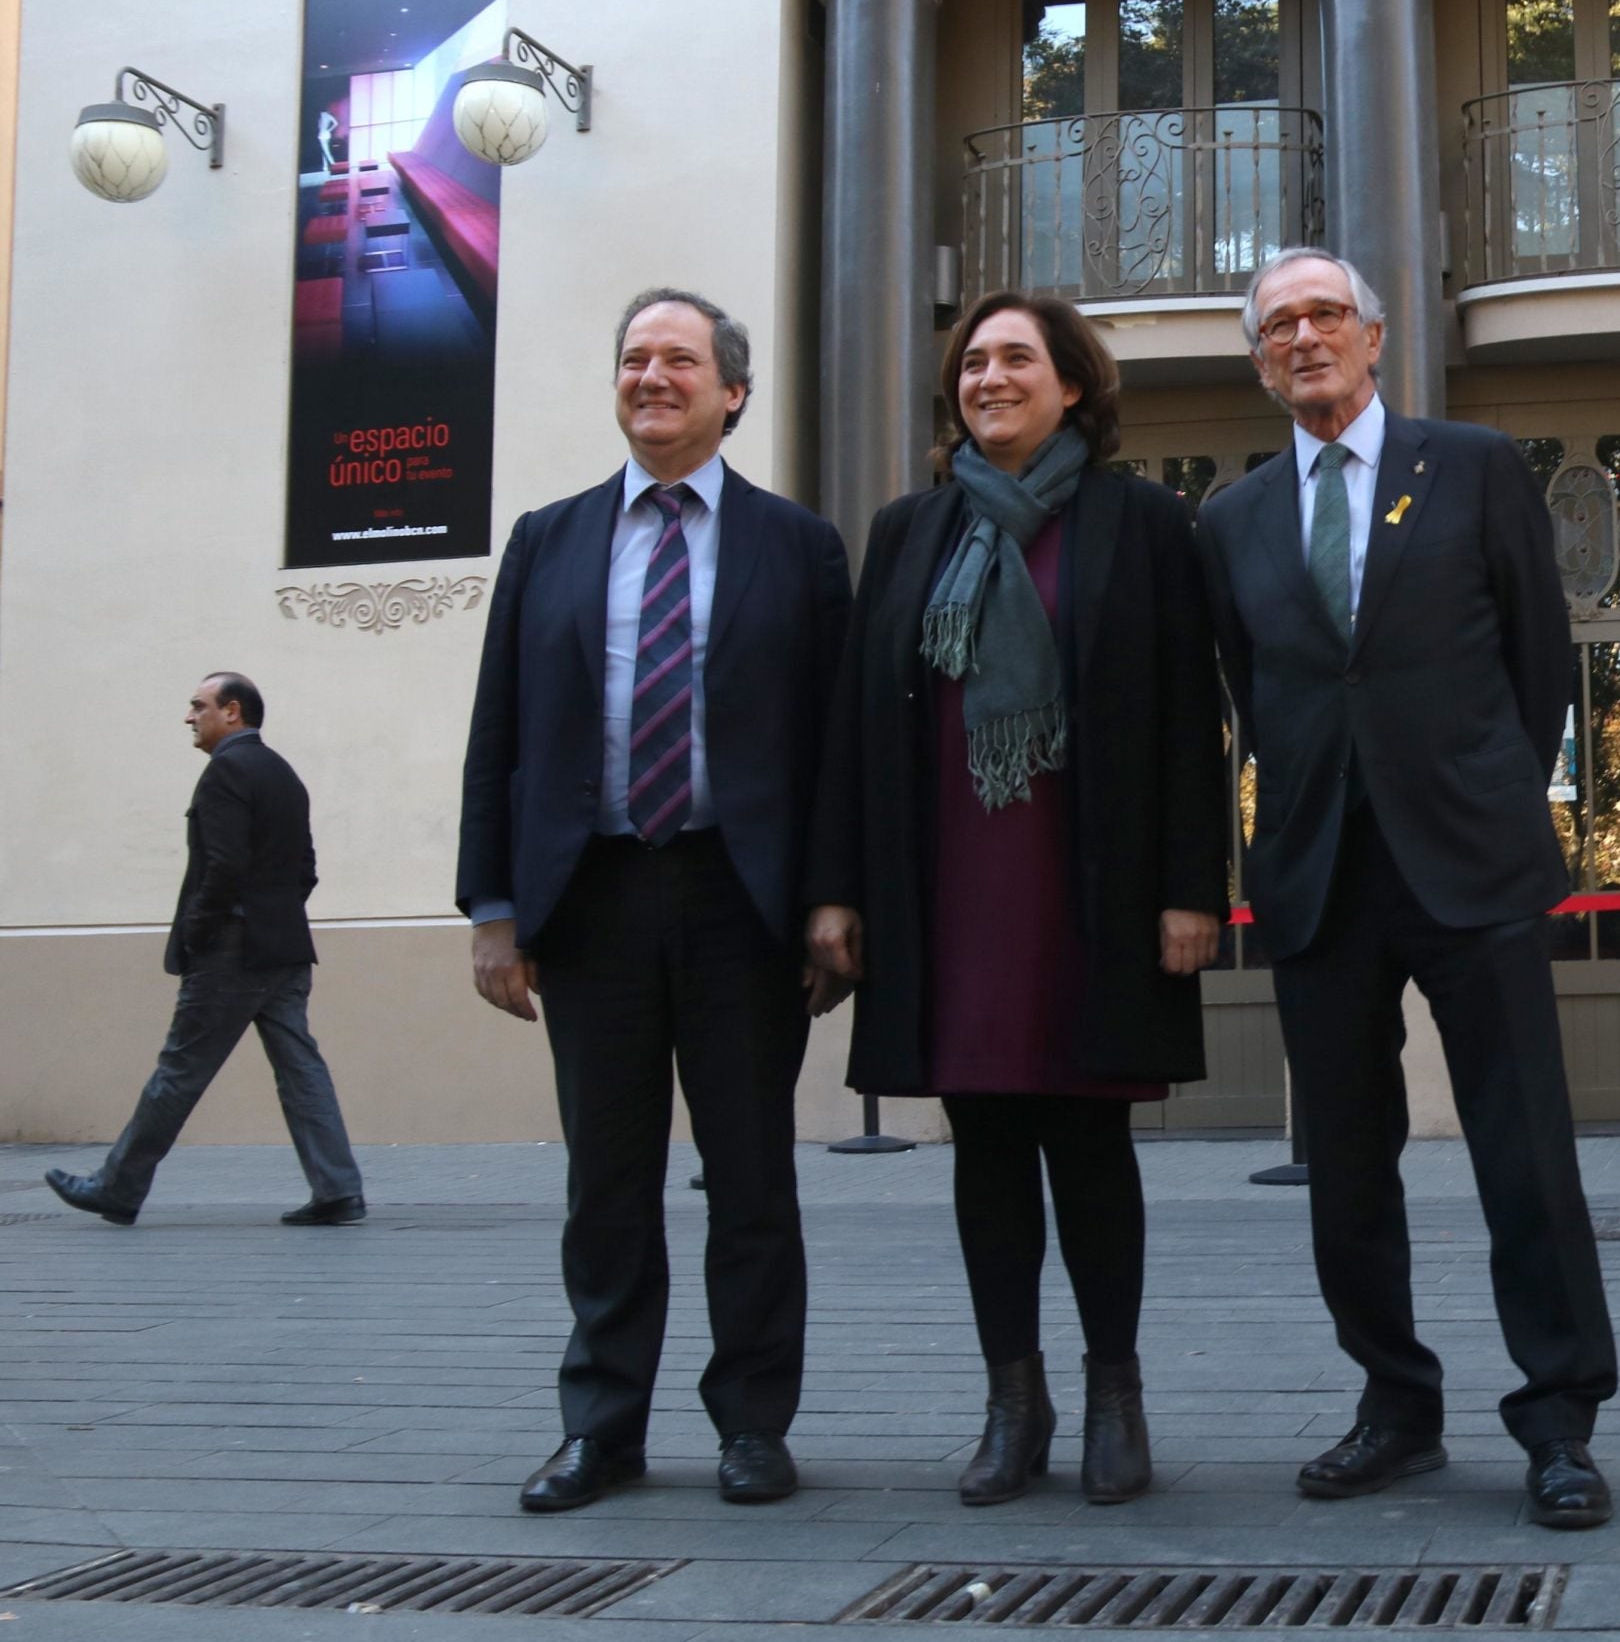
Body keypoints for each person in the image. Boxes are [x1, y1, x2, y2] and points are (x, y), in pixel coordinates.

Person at [1194, 246, 1619, 1530]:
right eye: (1279, 325)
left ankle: (1557, 1419)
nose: (1304, 337)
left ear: (1375, 338)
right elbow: (1251, 693)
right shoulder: (1233, 518)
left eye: (1327, 314)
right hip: (1320, 877)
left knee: (1524, 1152)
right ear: (1259, 359)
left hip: (1470, 864)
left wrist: (1481, 791)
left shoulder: (1473, 466)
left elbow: (1537, 662)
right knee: (1345, 1166)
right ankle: (1395, 1405)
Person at [806, 294, 1226, 1507]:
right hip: (947, 888)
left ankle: (1112, 1392)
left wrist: (1194, 885)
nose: (990, 377)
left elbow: (1189, 722)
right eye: (973, 361)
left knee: (1089, 1140)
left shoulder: (1144, 523)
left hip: (1087, 886)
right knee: (983, 1142)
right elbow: (854, 719)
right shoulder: (908, 530)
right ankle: (1011, 1397)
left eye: (1016, 359)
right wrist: (836, 887)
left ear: (1074, 385)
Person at [456, 288, 852, 1512]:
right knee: (606, 1183)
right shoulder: (549, 537)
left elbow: (833, 743)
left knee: (751, 1176)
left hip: (744, 902)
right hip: (594, 901)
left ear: (732, 390)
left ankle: (751, 1422)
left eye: (679, 359)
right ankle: (603, 1425)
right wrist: (492, 906)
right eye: (633, 358)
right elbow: (500, 731)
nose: (651, 376)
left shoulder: (800, 545)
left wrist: (835, 898)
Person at [46, 675, 365, 1229]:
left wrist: (200, 931)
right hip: (284, 945)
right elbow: (306, 868)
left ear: (232, 712)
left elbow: (223, 865)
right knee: (300, 1067)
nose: (189, 717)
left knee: (180, 1068)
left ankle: (117, 1187)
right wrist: (273, 914)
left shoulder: (226, 772)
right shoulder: (282, 773)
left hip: (233, 949)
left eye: (199, 706)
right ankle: (338, 1189)